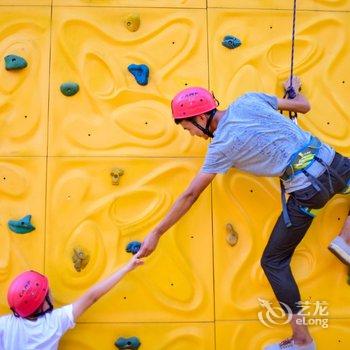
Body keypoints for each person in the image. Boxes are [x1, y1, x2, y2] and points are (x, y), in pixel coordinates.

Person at [136, 77, 350, 350]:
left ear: (201, 117)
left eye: (188, 127)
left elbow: (190, 195)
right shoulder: (249, 99)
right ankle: (346, 239)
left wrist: (156, 231)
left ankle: (302, 340)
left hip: (310, 192)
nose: (191, 134)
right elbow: (304, 106)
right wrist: (293, 93)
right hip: (337, 165)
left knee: (274, 262)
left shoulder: (221, 147)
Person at [0, 254, 143, 350]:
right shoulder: (54, 323)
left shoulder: (5, 325)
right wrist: (126, 268)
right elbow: (92, 296)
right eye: (47, 292)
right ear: (42, 303)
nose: (51, 292)